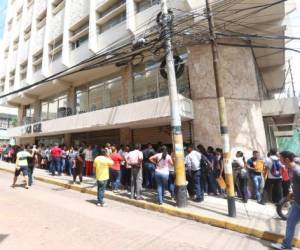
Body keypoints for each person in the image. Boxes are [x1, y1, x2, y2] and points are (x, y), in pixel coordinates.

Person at [271, 151, 300, 250]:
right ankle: (286, 245)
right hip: (297, 203)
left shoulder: (297, 171)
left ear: (286, 160)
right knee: (290, 222)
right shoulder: (290, 169)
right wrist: (292, 193)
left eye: (280, 158)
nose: (279, 160)